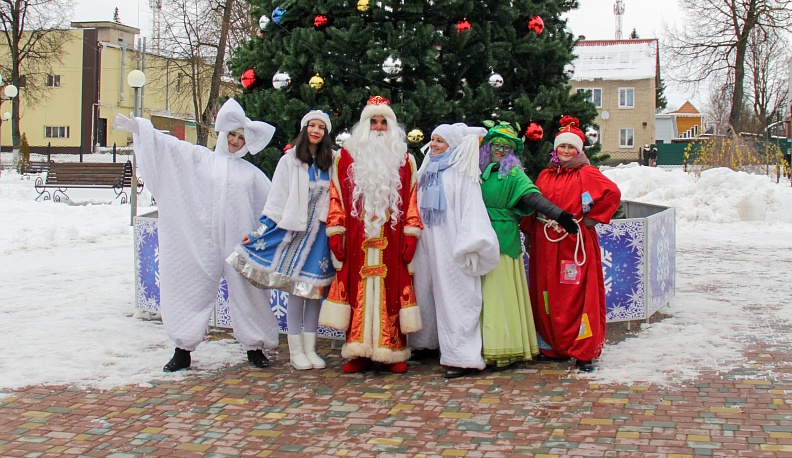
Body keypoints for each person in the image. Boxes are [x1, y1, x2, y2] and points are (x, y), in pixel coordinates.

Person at [113, 99, 280, 372]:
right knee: (190, 288)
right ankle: (183, 349)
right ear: (223, 134)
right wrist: (144, 130)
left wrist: (261, 236)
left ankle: (255, 346)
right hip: (201, 239)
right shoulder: (201, 159)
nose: (236, 141)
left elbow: (270, 207)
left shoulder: (251, 174)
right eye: (232, 135)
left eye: (241, 138)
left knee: (249, 293)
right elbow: (172, 150)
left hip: (241, 244)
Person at [317, 96, 423, 374]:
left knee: (393, 290)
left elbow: (412, 199)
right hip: (357, 240)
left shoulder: (405, 160)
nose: (378, 127)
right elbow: (336, 197)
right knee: (356, 291)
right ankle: (359, 351)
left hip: (392, 237)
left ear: (391, 126)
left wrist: (411, 233)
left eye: (383, 122)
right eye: (373, 121)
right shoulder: (345, 158)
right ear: (364, 125)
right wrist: (335, 232)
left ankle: (393, 350)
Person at [227, 110, 335, 370]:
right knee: (296, 293)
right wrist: (262, 229)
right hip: (293, 233)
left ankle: (311, 349)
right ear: (304, 128)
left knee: (313, 293)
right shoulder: (290, 160)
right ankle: (296, 350)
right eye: (312, 125)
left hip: (319, 236)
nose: (316, 131)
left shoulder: (330, 162)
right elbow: (276, 199)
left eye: (321, 127)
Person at [525, 115, 621, 372]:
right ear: (555, 148)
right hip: (546, 243)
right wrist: (529, 229)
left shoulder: (587, 173)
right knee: (547, 292)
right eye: (562, 146)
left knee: (575, 294)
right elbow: (532, 202)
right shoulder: (545, 175)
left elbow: (612, 194)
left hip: (573, 244)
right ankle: (552, 346)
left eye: (571, 147)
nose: (566, 151)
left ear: (578, 150)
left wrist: (591, 220)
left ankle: (583, 350)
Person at [478, 122, 578, 368]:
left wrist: (560, 215)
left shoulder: (513, 174)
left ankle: (502, 345)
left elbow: (533, 197)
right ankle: (475, 345)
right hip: (476, 236)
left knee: (497, 291)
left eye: (506, 147)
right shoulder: (476, 170)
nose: (500, 150)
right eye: (496, 145)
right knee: (477, 294)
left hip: (502, 238)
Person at [408, 123, 500, 379]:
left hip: (451, 244)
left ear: (453, 145)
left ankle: (462, 356)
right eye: (433, 139)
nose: (434, 145)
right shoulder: (426, 169)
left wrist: (471, 244)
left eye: (441, 141)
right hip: (426, 243)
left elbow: (472, 209)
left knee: (455, 296)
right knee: (423, 292)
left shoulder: (461, 172)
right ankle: (425, 342)